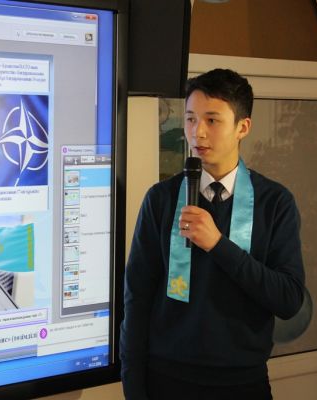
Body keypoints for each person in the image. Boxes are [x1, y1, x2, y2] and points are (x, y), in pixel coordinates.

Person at [119, 68, 305, 400]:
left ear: (242, 127)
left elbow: (289, 299)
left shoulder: (275, 202)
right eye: (190, 119)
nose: (197, 132)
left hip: (243, 383)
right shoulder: (161, 199)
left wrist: (218, 244)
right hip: (166, 379)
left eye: (212, 120)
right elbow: (137, 297)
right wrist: (133, 387)